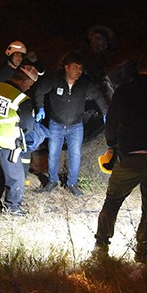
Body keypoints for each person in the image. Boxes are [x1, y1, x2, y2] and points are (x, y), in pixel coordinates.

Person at [93, 53, 147, 262]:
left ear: (139, 69)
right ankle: (142, 254)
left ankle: (101, 246)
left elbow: (111, 129)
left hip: (128, 158)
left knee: (112, 201)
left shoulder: (123, 92)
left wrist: (113, 147)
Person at [34, 51, 108, 197]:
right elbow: (39, 91)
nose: (79, 71)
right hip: (56, 124)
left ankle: (72, 183)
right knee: (54, 153)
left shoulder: (84, 82)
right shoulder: (55, 79)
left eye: (80, 68)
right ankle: (52, 181)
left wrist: (106, 113)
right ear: (67, 67)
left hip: (76, 126)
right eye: (75, 67)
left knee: (75, 154)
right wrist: (40, 107)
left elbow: (98, 96)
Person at [0, 65, 38, 216]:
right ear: (25, 82)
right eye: (30, 85)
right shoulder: (22, 99)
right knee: (16, 177)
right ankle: (12, 207)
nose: (29, 88)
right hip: (5, 144)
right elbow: (27, 126)